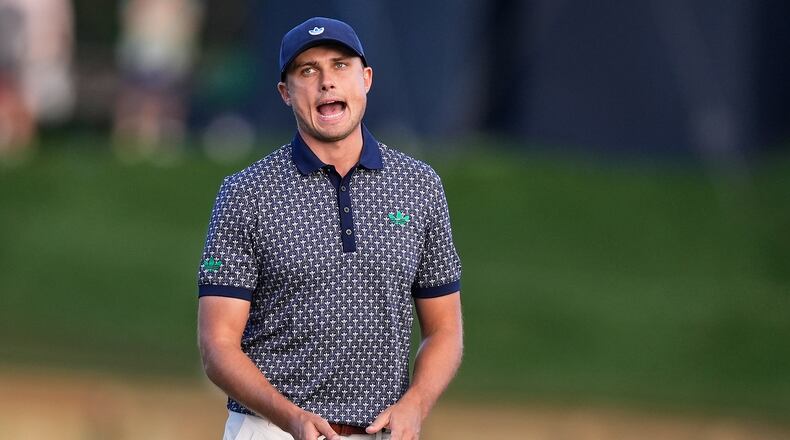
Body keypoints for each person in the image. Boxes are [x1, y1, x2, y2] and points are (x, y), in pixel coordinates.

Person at [197, 17, 462, 440]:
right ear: (286, 93)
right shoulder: (246, 194)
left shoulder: (418, 186)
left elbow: (445, 328)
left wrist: (416, 404)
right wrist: (292, 418)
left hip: (381, 431)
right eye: (307, 71)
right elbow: (217, 345)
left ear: (366, 79)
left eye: (340, 65)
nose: (326, 82)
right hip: (271, 430)